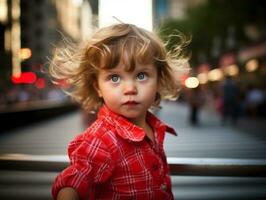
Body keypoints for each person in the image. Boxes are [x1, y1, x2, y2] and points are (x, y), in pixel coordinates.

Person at [49, 23, 188, 200]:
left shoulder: (152, 127)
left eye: (141, 75)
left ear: (159, 81)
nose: (130, 88)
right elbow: (74, 182)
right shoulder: (101, 140)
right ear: (97, 87)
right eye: (114, 78)